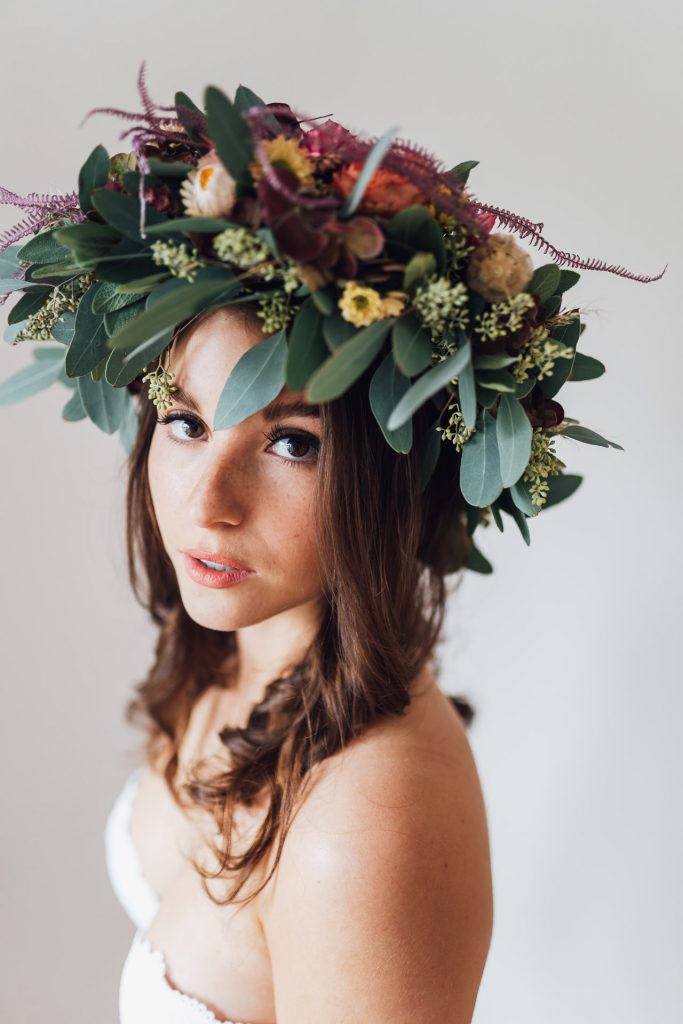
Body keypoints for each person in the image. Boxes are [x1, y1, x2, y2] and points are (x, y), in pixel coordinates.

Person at [106, 300, 494, 1024]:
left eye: (292, 443)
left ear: (396, 472)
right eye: (186, 423)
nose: (207, 502)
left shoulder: (361, 827)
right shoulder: (230, 654)